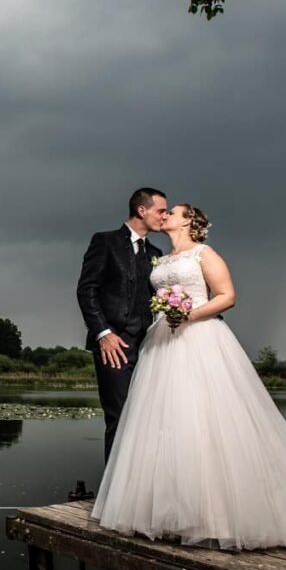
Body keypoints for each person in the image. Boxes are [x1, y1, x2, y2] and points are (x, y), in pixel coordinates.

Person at [89, 203, 286, 550]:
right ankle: (170, 514)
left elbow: (227, 296)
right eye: (165, 209)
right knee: (167, 425)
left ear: (189, 220)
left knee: (207, 420)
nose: (166, 213)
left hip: (199, 338)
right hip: (161, 345)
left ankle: (219, 515)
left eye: (173, 211)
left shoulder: (205, 253)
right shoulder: (160, 258)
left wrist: (188, 315)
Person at [76, 188, 168, 467]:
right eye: (161, 210)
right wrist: (103, 334)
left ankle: (138, 491)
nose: (164, 216)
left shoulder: (156, 252)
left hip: (148, 347)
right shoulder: (104, 242)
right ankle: (112, 496)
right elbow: (86, 290)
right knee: (118, 416)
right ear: (142, 210)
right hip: (113, 346)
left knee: (146, 418)